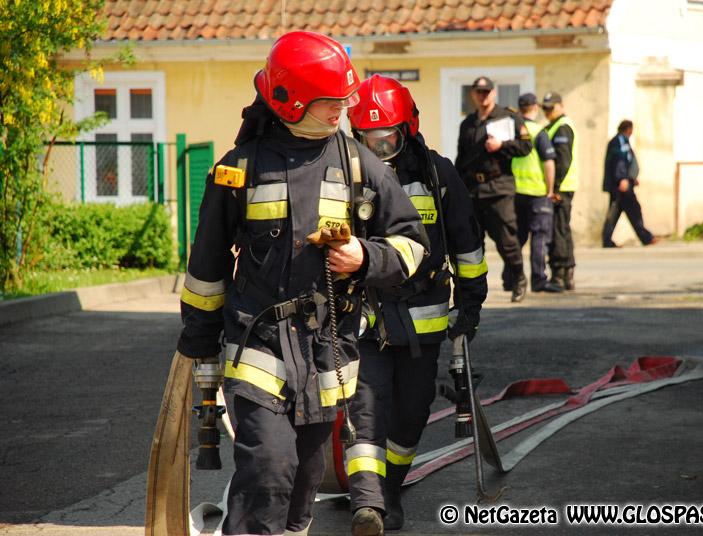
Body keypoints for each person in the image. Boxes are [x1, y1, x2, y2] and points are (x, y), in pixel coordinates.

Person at [176, 31, 428, 536]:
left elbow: (412, 244)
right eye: (329, 102)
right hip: (259, 344)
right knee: (269, 468)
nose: (340, 111)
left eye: (343, 101)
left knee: (305, 481)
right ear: (289, 100)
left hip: (326, 352)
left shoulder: (360, 163)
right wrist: (200, 346)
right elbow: (205, 269)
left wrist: (365, 256)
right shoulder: (236, 171)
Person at [346, 75, 488, 536]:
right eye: (368, 138)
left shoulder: (438, 174)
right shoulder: (345, 176)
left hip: (421, 321)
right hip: (365, 319)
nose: (378, 147)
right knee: (366, 407)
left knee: (411, 410)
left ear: (407, 129)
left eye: (387, 137)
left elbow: (467, 244)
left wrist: (470, 304)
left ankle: (390, 485)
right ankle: (369, 502)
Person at [455, 76, 533, 302]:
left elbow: (526, 146)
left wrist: (502, 145)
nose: (483, 96)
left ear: (494, 93)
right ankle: (473, 289)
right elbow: (462, 158)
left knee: (507, 240)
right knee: (472, 242)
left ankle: (518, 278)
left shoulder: (508, 117)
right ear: (473, 95)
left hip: (499, 187)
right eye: (479, 92)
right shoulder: (468, 123)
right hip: (473, 189)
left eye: (487, 92)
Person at [509, 92, 562, 293]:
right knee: (539, 237)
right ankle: (538, 280)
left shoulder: (512, 130)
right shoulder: (539, 131)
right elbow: (549, 163)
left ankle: (512, 279)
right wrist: (550, 189)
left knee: (515, 238)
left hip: (514, 192)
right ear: (535, 107)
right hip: (537, 192)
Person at [542, 92, 578, 291]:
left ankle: (560, 273)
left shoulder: (562, 127)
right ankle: (567, 271)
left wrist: (553, 187)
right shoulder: (554, 126)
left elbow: (563, 161)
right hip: (561, 186)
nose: (547, 111)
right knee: (562, 229)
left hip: (561, 188)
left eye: (551, 107)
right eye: (545, 108)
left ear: (560, 105)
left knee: (558, 231)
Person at [601, 120, 657, 247]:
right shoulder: (619, 141)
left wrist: (631, 178)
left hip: (623, 183)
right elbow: (619, 161)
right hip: (621, 185)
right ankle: (646, 238)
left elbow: (627, 161)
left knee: (614, 213)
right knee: (634, 210)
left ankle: (607, 240)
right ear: (628, 129)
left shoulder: (622, 141)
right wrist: (623, 179)